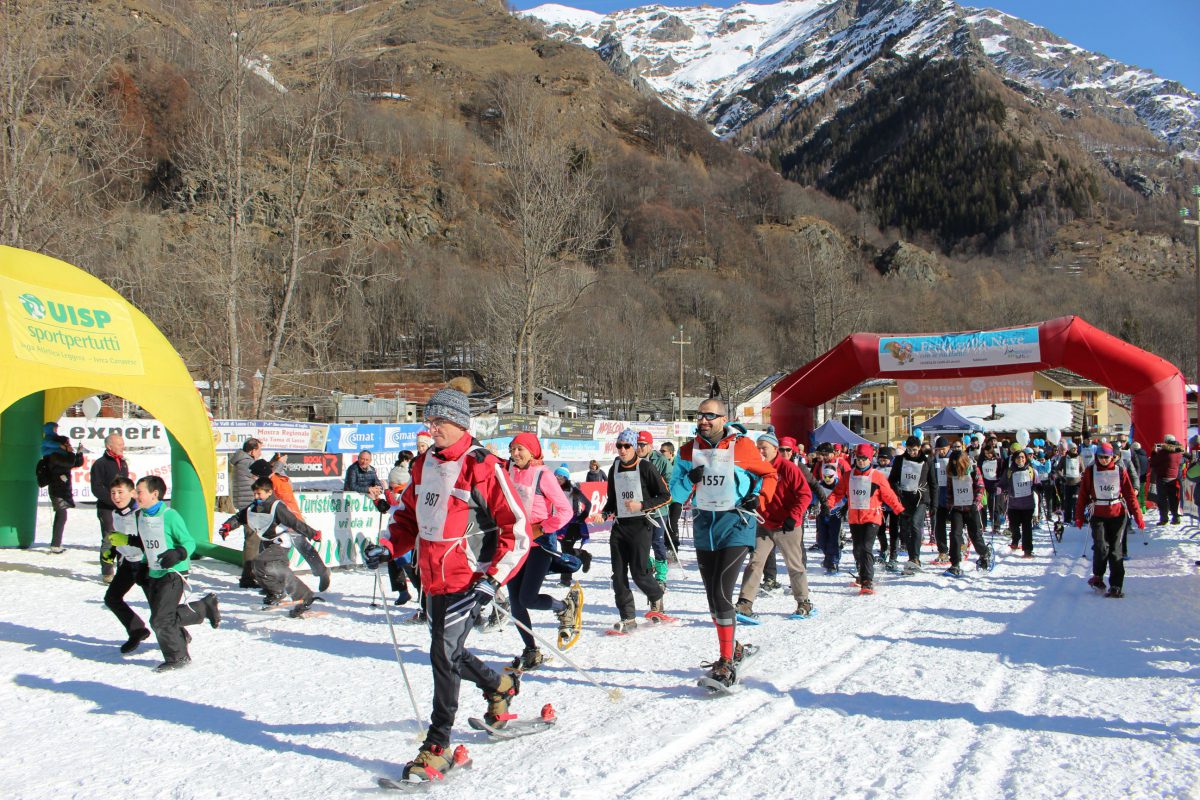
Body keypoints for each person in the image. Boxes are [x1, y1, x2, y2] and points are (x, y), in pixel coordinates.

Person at [361, 377, 531, 781]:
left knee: (443, 653)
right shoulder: (424, 463)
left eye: (438, 420)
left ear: (460, 423)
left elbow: (517, 528)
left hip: (468, 577)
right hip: (432, 576)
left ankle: (437, 745)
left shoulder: (482, 465)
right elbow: (406, 517)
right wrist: (388, 546)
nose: (430, 427)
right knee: (449, 651)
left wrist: (494, 578)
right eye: (428, 419)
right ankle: (499, 686)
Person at [670, 399, 776, 688]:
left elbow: (768, 474)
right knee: (712, 599)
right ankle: (734, 647)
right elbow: (676, 494)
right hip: (706, 528)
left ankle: (726, 662)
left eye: (710, 416)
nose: (703, 421)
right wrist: (689, 480)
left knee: (721, 592)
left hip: (736, 525)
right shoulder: (687, 450)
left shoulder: (742, 446)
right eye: (699, 416)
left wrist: (760, 497)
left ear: (723, 418)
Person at [504, 432, 579, 670]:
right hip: (515, 543)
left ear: (532, 451)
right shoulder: (509, 471)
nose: (516, 454)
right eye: (513, 449)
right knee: (516, 603)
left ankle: (564, 607)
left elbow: (565, 511)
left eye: (520, 449)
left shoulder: (543, 475)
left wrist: (542, 528)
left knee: (528, 598)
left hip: (540, 545)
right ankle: (531, 650)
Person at [135, 475, 220, 671]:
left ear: (154, 494)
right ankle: (203, 608)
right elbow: (147, 545)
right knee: (163, 616)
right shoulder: (141, 515)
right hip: (153, 571)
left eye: (140, 492)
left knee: (160, 619)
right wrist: (141, 565)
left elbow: (189, 542)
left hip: (175, 571)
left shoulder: (170, 516)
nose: (136, 495)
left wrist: (178, 553)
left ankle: (177, 657)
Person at [735, 430, 814, 620]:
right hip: (764, 523)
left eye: (764, 448)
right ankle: (745, 603)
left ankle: (804, 601)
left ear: (775, 449)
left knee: (794, 564)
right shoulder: (755, 468)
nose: (760, 451)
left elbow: (805, 495)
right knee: (755, 562)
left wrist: (793, 517)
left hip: (787, 524)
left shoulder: (788, 468)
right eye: (758, 448)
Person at [219, 477, 325, 617]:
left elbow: (294, 522)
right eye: (255, 494)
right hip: (267, 543)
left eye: (259, 494)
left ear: (269, 492)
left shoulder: (277, 506)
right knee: (272, 571)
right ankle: (300, 598)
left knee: (259, 564)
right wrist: (227, 526)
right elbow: (239, 517)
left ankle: (278, 593)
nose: (256, 497)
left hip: (281, 542)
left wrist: (313, 534)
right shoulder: (253, 507)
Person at [604, 429, 671, 631]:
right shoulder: (613, 468)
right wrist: (605, 512)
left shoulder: (646, 467)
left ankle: (656, 596)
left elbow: (665, 496)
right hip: (620, 527)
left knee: (639, 572)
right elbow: (611, 500)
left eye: (627, 446)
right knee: (618, 574)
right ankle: (628, 617)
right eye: (619, 446)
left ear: (634, 447)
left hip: (641, 525)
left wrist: (641, 505)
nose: (622, 450)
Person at [829, 443, 904, 595]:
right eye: (859, 458)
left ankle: (867, 580)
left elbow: (888, 495)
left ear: (870, 459)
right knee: (857, 549)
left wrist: (899, 510)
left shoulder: (877, 476)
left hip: (872, 517)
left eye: (864, 458)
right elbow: (838, 493)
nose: (861, 461)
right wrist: (828, 504)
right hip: (855, 518)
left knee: (865, 547)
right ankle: (862, 575)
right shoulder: (849, 475)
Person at [250, 458, 332, 593]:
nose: (254, 478)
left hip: (290, 522)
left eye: (256, 475)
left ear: (262, 474)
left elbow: (288, 505)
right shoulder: (267, 484)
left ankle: (322, 572)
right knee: (266, 551)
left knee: (303, 547)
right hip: (275, 523)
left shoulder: (279, 485)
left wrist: (292, 524)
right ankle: (272, 583)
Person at [1076, 442, 1144, 597]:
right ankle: (1098, 577)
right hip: (1098, 514)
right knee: (1100, 547)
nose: (1104, 460)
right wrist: (1079, 515)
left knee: (1115, 551)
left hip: (1118, 515)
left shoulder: (1120, 471)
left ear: (1113, 457)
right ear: (1096, 456)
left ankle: (1116, 585)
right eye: (1101, 457)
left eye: (1107, 457)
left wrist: (1138, 515)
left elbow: (1129, 494)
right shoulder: (1090, 471)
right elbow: (1083, 495)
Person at [99, 477, 151, 653]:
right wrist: (113, 551)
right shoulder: (115, 513)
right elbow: (118, 535)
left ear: (132, 493)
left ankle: (180, 633)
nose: (116, 496)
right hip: (128, 563)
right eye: (113, 493)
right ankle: (137, 630)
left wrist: (126, 542)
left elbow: (147, 541)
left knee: (159, 608)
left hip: (146, 564)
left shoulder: (140, 514)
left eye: (120, 492)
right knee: (112, 598)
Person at [941, 449, 992, 576]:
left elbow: (980, 487)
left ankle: (985, 552)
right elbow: (949, 491)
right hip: (957, 508)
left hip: (971, 508)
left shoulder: (973, 470)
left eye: (957, 464)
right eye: (953, 464)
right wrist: (949, 507)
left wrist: (976, 503)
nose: (955, 466)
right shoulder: (951, 473)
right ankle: (955, 563)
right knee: (955, 534)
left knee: (975, 535)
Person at [889, 435, 931, 572]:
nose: (911, 452)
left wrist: (934, 504)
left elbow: (933, 483)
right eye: (909, 449)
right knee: (906, 528)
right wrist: (897, 489)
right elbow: (892, 479)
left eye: (914, 449)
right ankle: (912, 557)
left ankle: (916, 557)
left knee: (915, 524)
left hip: (921, 498)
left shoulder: (926, 461)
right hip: (905, 498)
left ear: (919, 448)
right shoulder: (900, 460)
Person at [90, 433, 129, 582]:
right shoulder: (100, 464)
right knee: (109, 539)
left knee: (122, 539)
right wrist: (114, 500)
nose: (122, 447)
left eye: (122, 444)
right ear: (109, 446)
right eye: (119, 444)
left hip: (123, 509)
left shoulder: (123, 462)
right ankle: (107, 572)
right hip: (107, 507)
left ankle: (122, 570)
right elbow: (97, 488)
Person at [637, 431, 674, 588]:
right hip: (640, 508)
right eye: (638, 444)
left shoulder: (661, 460)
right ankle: (649, 564)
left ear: (650, 446)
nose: (639, 447)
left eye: (643, 445)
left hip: (658, 508)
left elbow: (669, 482)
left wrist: (657, 488)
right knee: (639, 543)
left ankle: (661, 575)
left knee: (657, 542)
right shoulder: (633, 461)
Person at [36, 435, 83, 553]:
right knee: (61, 515)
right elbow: (70, 463)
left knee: (62, 515)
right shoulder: (54, 456)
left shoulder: (63, 456)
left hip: (63, 489)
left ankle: (56, 543)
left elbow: (76, 463)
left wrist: (79, 453)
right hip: (57, 490)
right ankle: (55, 544)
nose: (69, 446)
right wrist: (71, 453)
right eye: (67, 444)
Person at [229, 438, 262, 588]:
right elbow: (266, 475)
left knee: (251, 541)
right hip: (250, 505)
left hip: (244, 503)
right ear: (253, 450)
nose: (260, 453)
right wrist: (279, 463)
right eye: (259, 450)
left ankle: (251, 574)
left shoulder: (240, 461)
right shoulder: (247, 462)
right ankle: (248, 577)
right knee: (252, 542)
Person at [554, 466, 593, 587]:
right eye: (555, 477)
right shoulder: (553, 488)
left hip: (571, 525)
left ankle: (566, 580)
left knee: (566, 551)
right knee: (565, 550)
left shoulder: (573, 490)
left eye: (560, 477)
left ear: (566, 478)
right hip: (558, 524)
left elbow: (587, 503)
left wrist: (583, 516)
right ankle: (583, 555)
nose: (557, 479)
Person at [1003, 446, 1039, 556]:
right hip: (1014, 505)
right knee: (1014, 526)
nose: (1021, 460)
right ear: (1014, 459)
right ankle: (1016, 538)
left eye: (1023, 457)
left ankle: (1027, 550)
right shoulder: (1009, 471)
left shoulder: (1032, 471)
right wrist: (999, 488)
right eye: (1018, 458)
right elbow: (1002, 483)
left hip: (1028, 505)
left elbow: (1037, 483)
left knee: (1027, 528)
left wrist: (1039, 487)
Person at [813, 464, 846, 574]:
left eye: (830, 476)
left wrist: (845, 510)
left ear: (834, 475)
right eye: (825, 476)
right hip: (822, 514)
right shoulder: (819, 485)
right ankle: (828, 559)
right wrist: (813, 506)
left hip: (835, 514)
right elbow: (814, 498)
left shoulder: (840, 485)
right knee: (821, 540)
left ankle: (833, 562)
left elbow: (846, 499)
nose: (827, 479)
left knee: (833, 539)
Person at [1149, 434, 1184, 525]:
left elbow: (1153, 462)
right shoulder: (1179, 451)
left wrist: (1153, 452)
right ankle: (1176, 517)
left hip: (1163, 478)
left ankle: (1164, 518)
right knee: (1174, 499)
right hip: (1174, 477)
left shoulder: (1163, 452)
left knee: (1162, 499)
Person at [930, 436, 952, 564]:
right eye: (938, 449)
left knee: (955, 526)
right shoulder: (934, 459)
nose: (941, 452)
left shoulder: (954, 458)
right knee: (939, 526)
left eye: (943, 449)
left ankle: (959, 546)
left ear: (948, 447)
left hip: (952, 497)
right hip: (939, 497)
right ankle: (942, 551)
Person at [659, 441, 683, 557]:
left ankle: (673, 550)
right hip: (663, 500)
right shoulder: (660, 463)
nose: (661, 453)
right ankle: (665, 549)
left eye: (663, 451)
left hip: (675, 499)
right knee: (663, 524)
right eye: (660, 451)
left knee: (672, 524)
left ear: (671, 453)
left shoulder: (678, 465)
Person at [978, 440, 1007, 533]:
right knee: (987, 506)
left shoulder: (998, 460)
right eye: (986, 454)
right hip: (986, 485)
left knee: (995, 506)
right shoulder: (982, 460)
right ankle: (983, 525)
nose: (988, 455)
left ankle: (996, 526)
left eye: (989, 453)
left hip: (996, 485)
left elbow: (1003, 470)